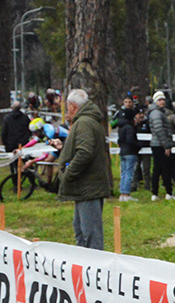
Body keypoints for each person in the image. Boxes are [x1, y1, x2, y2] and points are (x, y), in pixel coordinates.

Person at [57, 88, 112, 250]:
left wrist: (69, 173)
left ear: (73, 106)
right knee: (81, 231)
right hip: (85, 187)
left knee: (90, 234)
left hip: (88, 187)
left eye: (68, 107)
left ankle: (96, 270)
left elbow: (85, 152)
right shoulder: (87, 121)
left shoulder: (84, 123)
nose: (67, 111)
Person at [148, 90, 175, 201]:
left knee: (157, 169)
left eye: (163, 99)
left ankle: (155, 193)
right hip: (160, 144)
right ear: (155, 101)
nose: (162, 102)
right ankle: (168, 192)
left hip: (157, 144)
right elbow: (159, 130)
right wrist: (166, 145)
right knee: (165, 169)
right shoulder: (156, 113)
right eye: (159, 100)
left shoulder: (157, 112)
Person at [117, 107, 145, 201]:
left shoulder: (121, 127)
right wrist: (139, 145)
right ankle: (127, 194)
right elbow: (130, 141)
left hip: (123, 152)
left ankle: (122, 193)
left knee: (124, 173)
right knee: (129, 173)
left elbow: (120, 140)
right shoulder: (130, 127)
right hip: (130, 152)